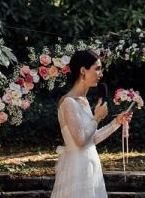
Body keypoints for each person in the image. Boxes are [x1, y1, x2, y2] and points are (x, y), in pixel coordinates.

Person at [50, 49, 133, 198]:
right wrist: (97, 118)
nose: (100, 74)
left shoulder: (84, 101)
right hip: (77, 169)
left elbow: (91, 139)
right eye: (97, 69)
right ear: (83, 71)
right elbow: (80, 141)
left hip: (91, 165)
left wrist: (116, 122)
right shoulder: (68, 102)